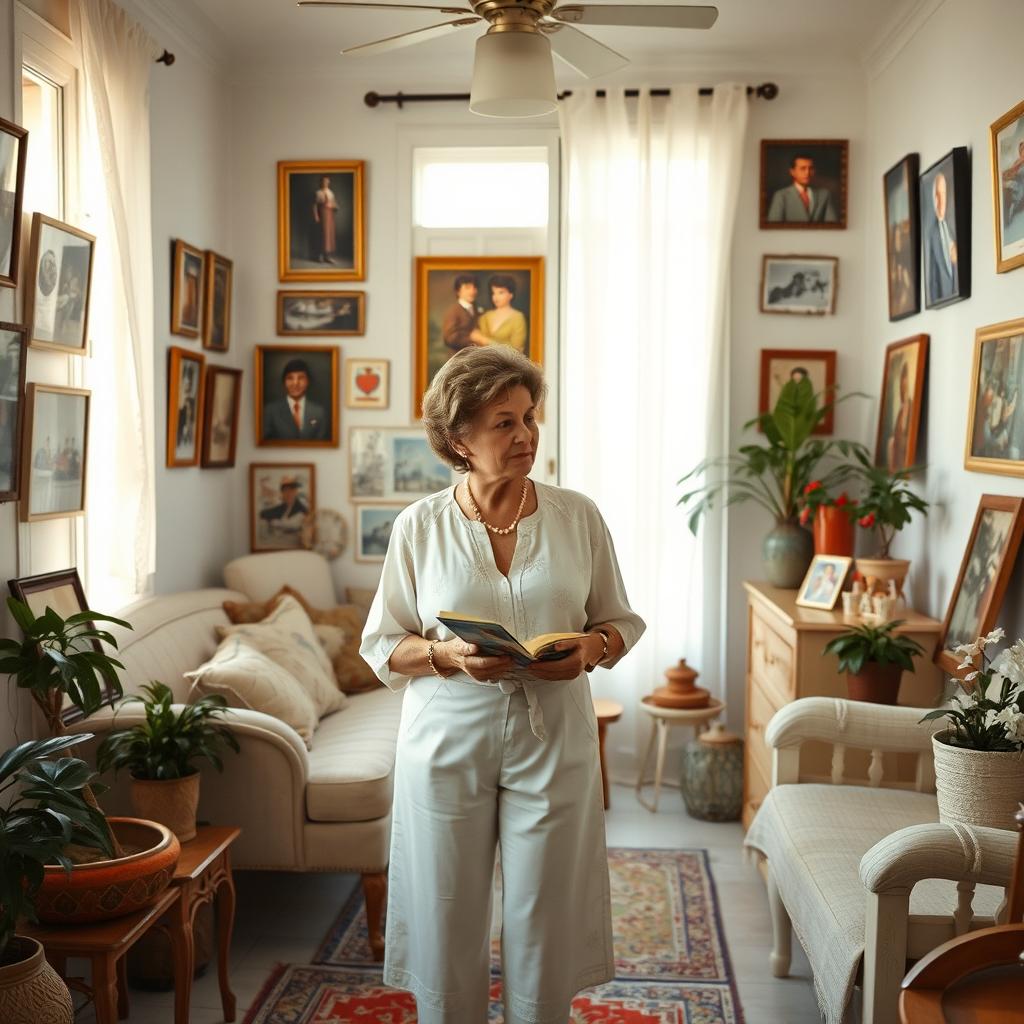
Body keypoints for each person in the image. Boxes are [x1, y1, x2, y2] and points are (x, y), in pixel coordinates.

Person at [360, 345, 645, 1024]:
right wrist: (449, 657)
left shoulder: (578, 517)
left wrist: (590, 647)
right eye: (504, 424)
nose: (526, 437)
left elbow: (620, 621)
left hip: (554, 738)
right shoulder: (419, 526)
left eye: (529, 418)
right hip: (445, 737)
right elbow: (381, 642)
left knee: (544, 910)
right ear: (458, 440)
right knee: (446, 907)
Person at [262, 358, 328, 441]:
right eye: (290, 378)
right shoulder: (271, 410)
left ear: (308, 381)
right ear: (284, 382)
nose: (295, 383)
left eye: (301, 378)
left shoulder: (319, 412)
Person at [766, 154, 838, 223]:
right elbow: (773, 226)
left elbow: (832, 225)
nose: (807, 172)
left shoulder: (824, 195)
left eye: (811, 168)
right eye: (803, 168)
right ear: (792, 172)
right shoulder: (781, 195)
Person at [924, 171, 958, 303]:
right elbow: (933, 279)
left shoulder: (952, 228)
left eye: (942, 194)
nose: (939, 200)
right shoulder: (931, 234)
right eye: (936, 195)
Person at [472, 274, 528, 352]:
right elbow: (478, 347)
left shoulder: (518, 317)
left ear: (511, 295)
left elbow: (517, 351)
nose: (496, 297)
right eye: (493, 293)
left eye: (501, 292)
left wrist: (485, 340)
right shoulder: (485, 316)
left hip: (507, 364)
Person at [259, 475, 308, 542]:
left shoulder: (302, 509)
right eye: (285, 491)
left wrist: (276, 523)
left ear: (295, 492)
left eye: (291, 490)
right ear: (282, 493)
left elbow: (293, 525)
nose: (288, 494)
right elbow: (264, 513)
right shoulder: (282, 506)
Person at [441, 274, 482, 352]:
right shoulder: (453, 312)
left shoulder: (477, 310)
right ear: (458, 291)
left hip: (476, 355)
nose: (472, 291)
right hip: (458, 357)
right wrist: (471, 338)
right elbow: (448, 338)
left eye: (474, 287)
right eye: (467, 288)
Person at [886, 360, 913, 471]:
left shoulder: (910, 406)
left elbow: (907, 433)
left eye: (905, 379)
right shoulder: (901, 409)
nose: (903, 384)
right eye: (902, 379)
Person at [312, 175, 339, 264]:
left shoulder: (331, 193)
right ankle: (320, 256)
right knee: (322, 234)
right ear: (321, 182)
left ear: (329, 182)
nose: (326, 183)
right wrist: (316, 215)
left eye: (327, 181)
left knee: (329, 235)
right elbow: (315, 205)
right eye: (324, 181)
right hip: (322, 214)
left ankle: (328, 256)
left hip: (330, 215)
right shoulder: (318, 192)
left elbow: (336, 205)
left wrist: (333, 205)